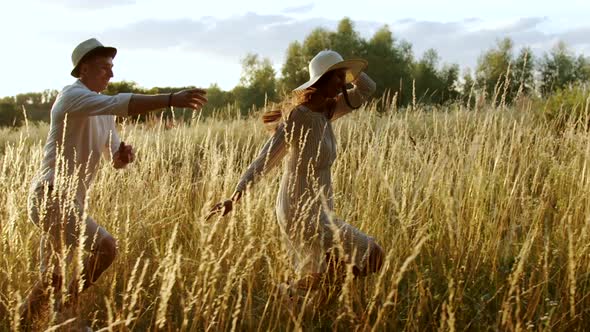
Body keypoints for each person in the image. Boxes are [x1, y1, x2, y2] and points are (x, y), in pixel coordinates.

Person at [20, 38, 207, 327]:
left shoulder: (102, 111)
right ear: (83, 69)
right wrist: (171, 99)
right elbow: (122, 103)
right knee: (106, 247)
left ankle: (18, 323)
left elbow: (115, 159)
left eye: (112, 68)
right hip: (51, 196)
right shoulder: (71, 95)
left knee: (50, 280)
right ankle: (67, 309)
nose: (111, 74)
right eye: (105, 68)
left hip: (68, 201)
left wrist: (123, 155)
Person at [208, 50, 384, 302]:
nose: (343, 83)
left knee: (329, 270)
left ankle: (290, 296)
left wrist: (347, 68)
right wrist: (234, 197)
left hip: (321, 204)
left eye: (344, 78)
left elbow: (367, 88)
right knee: (373, 255)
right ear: (321, 80)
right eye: (337, 77)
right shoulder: (298, 117)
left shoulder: (329, 110)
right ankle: (291, 295)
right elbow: (264, 159)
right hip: (299, 207)